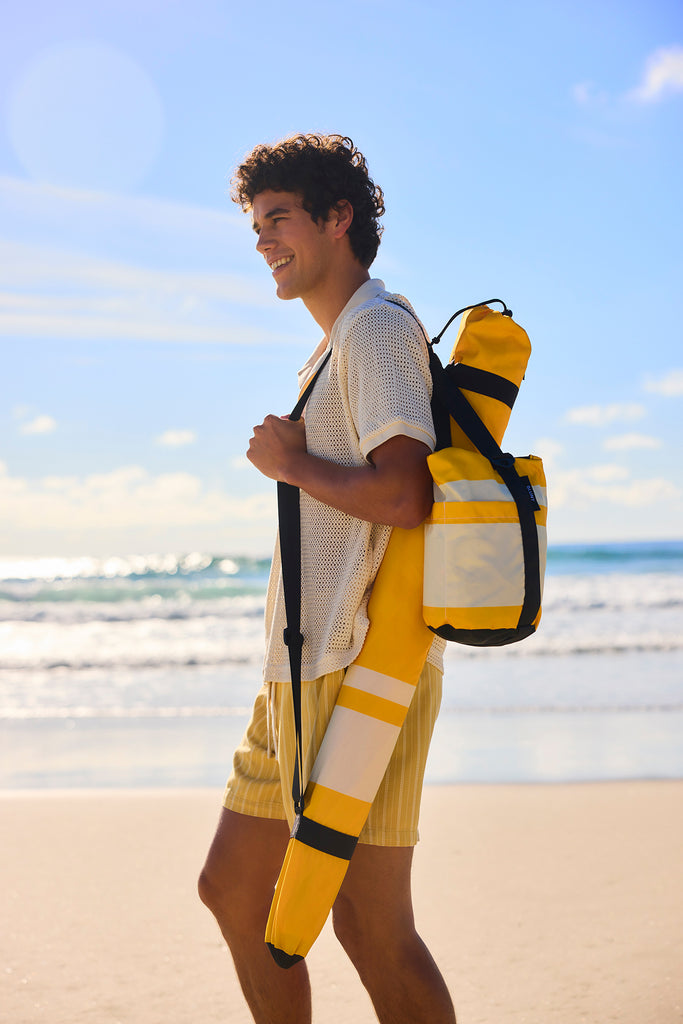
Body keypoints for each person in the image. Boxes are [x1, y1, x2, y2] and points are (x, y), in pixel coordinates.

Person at [198, 134, 456, 1024]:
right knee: (234, 890)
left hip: (358, 669)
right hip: (299, 675)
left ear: (337, 218)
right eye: (255, 226)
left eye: (279, 220)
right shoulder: (335, 347)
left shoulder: (377, 329)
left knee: (368, 922)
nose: (264, 240)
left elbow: (405, 492)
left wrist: (289, 464)